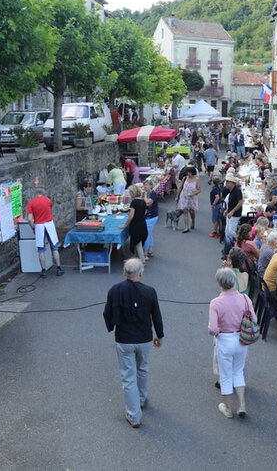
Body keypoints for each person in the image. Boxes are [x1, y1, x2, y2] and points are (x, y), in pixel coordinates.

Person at [103, 258, 164, 428]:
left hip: (124, 339)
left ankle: (134, 415)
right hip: (144, 338)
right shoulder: (150, 291)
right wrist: (159, 336)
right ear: (140, 274)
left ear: (125, 273)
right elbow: (156, 316)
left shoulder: (115, 290)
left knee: (128, 377)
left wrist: (112, 325)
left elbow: (107, 313)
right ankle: (142, 399)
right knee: (143, 368)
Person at [209, 267, 256, 419]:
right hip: (241, 339)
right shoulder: (244, 299)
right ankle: (242, 405)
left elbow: (213, 328)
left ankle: (228, 408)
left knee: (226, 375)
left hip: (225, 339)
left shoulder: (216, 303)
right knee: (238, 371)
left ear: (219, 283)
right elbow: (254, 320)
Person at [26, 188, 63, 278]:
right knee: (54, 247)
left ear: (36, 193)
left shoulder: (31, 203)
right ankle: (59, 268)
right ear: (43, 193)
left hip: (39, 226)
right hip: (49, 225)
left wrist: (33, 228)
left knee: (41, 250)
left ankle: (43, 271)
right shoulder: (48, 200)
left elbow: (30, 219)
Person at [120, 185, 148, 262]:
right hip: (142, 224)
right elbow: (145, 212)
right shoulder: (143, 201)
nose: (129, 194)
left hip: (136, 225)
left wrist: (125, 225)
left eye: (130, 192)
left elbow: (131, 216)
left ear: (133, 193)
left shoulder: (134, 202)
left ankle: (142, 261)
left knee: (137, 243)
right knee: (138, 242)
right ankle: (135, 258)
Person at [222, 174, 244, 244]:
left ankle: (240, 242)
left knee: (231, 231)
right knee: (227, 231)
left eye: (228, 181)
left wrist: (232, 211)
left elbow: (240, 202)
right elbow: (232, 203)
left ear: (232, 183)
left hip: (235, 214)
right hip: (230, 214)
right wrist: (227, 210)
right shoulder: (231, 191)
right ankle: (228, 246)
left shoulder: (237, 191)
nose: (227, 183)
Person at [178, 167, 200, 233]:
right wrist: (177, 196)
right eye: (188, 172)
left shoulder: (197, 180)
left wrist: (193, 194)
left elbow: (199, 190)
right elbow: (180, 187)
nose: (188, 174)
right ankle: (186, 227)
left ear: (193, 173)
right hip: (184, 196)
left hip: (192, 198)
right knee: (185, 211)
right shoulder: (185, 178)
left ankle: (193, 221)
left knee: (192, 212)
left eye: (190, 173)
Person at [142, 179, 159, 258]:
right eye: (144, 185)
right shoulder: (147, 193)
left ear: (151, 186)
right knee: (150, 233)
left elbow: (148, 203)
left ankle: (145, 254)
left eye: (147, 185)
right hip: (147, 216)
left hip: (151, 217)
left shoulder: (153, 194)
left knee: (146, 235)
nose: (145, 187)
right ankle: (150, 250)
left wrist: (144, 195)